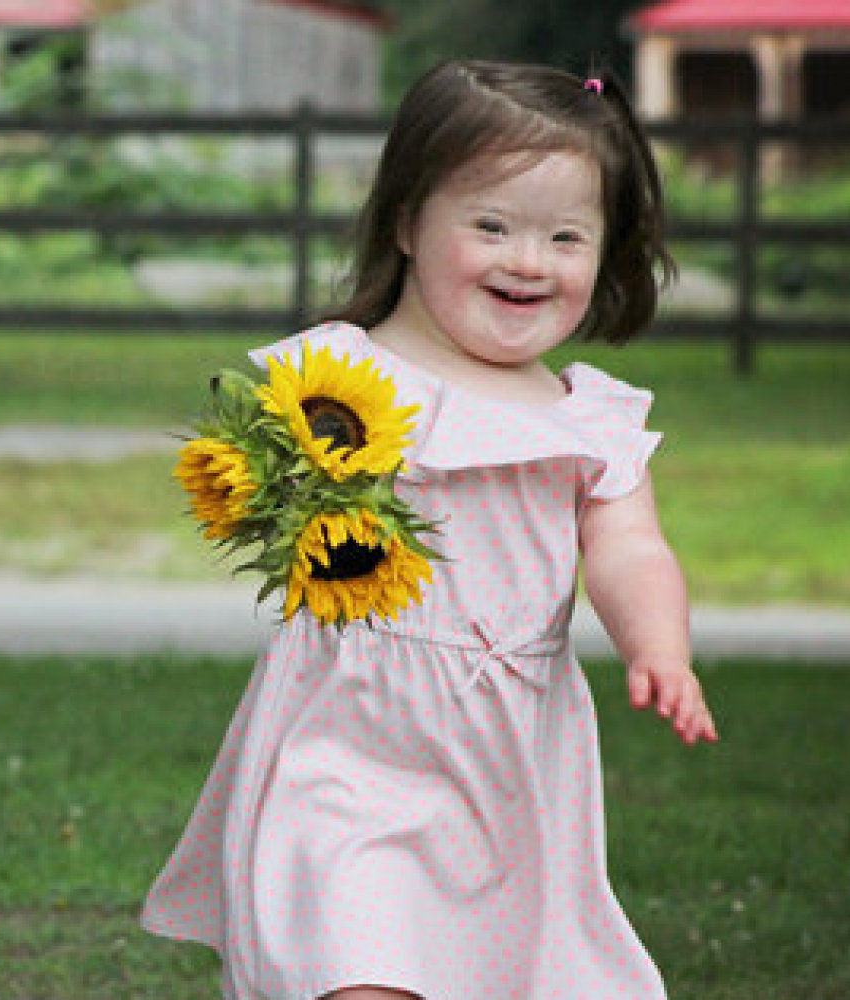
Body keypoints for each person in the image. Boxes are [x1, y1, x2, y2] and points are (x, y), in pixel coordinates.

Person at [140, 59, 719, 1000]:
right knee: (357, 958)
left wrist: (661, 648)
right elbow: (261, 493)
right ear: (408, 221)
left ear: (605, 252)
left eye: (566, 237)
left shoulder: (587, 418)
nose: (528, 259)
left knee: (498, 967)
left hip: (506, 760)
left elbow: (629, 546)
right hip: (350, 738)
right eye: (491, 225)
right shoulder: (340, 380)